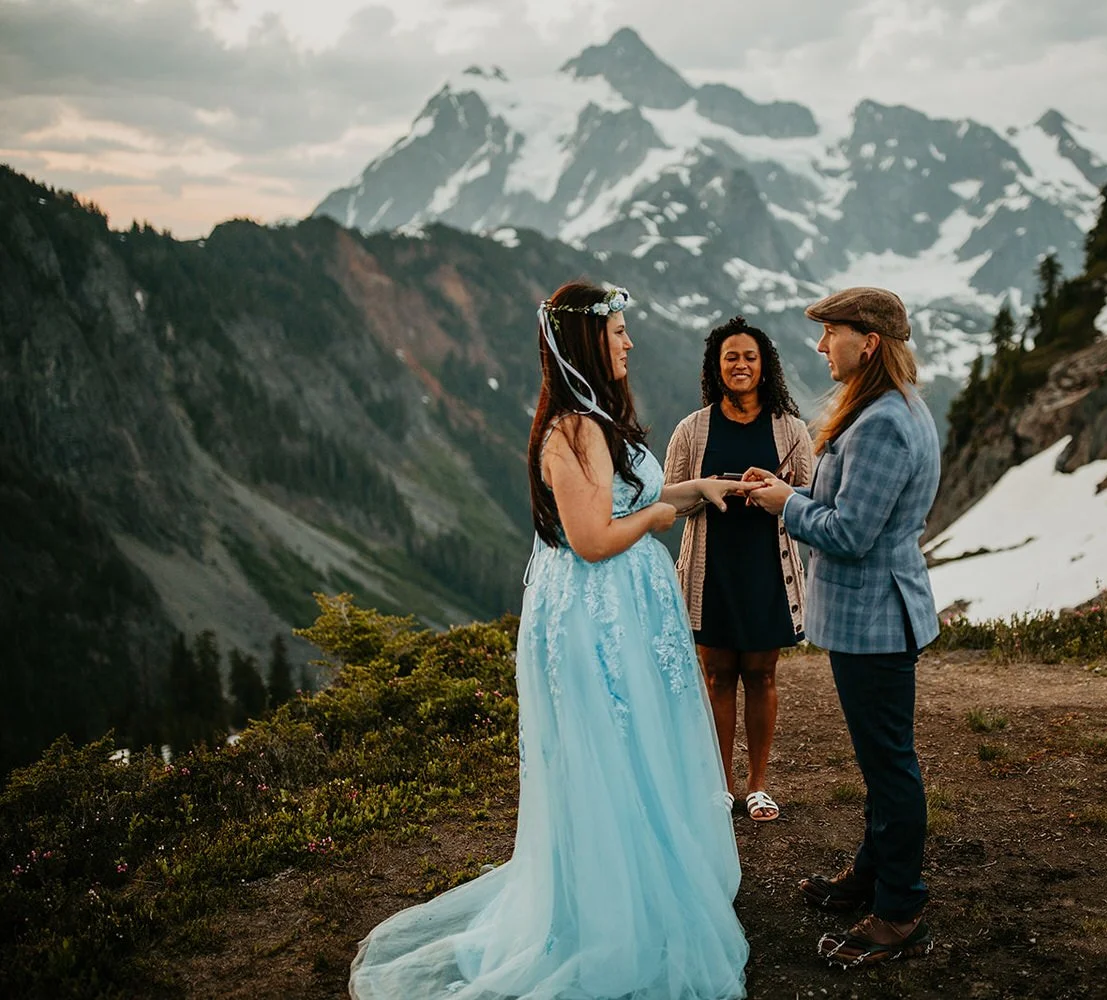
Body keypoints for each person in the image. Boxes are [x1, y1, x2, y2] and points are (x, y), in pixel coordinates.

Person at [349, 282, 756, 1000]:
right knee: (611, 754)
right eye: (620, 331)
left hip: (621, 611)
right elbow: (594, 539)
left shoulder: (598, 419)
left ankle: (643, 883)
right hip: (598, 619)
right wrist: (662, 519)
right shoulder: (574, 430)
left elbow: (634, 499)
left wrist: (704, 490)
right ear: (588, 342)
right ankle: (614, 915)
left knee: (636, 751)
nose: (630, 342)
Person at [745, 286, 941, 969]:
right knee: (880, 757)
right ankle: (870, 872)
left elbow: (853, 534)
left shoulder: (883, 421)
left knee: (890, 765)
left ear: (871, 343)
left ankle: (900, 908)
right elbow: (851, 508)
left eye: (832, 334)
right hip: (875, 616)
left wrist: (782, 506)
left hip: (876, 619)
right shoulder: (886, 409)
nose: (822, 346)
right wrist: (791, 492)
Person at [664, 316, 813, 823]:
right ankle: (722, 786)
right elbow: (670, 503)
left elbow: (810, 499)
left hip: (768, 568)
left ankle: (759, 786)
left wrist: (775, 487)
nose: (741, 365)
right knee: (716, 675)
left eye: (750, 356)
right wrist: (711, 487)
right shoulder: (692, 429)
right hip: (712, 570)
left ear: (764, 365)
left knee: (762, 672)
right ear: (716, 366)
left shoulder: (791, 430)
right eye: (731, 357)